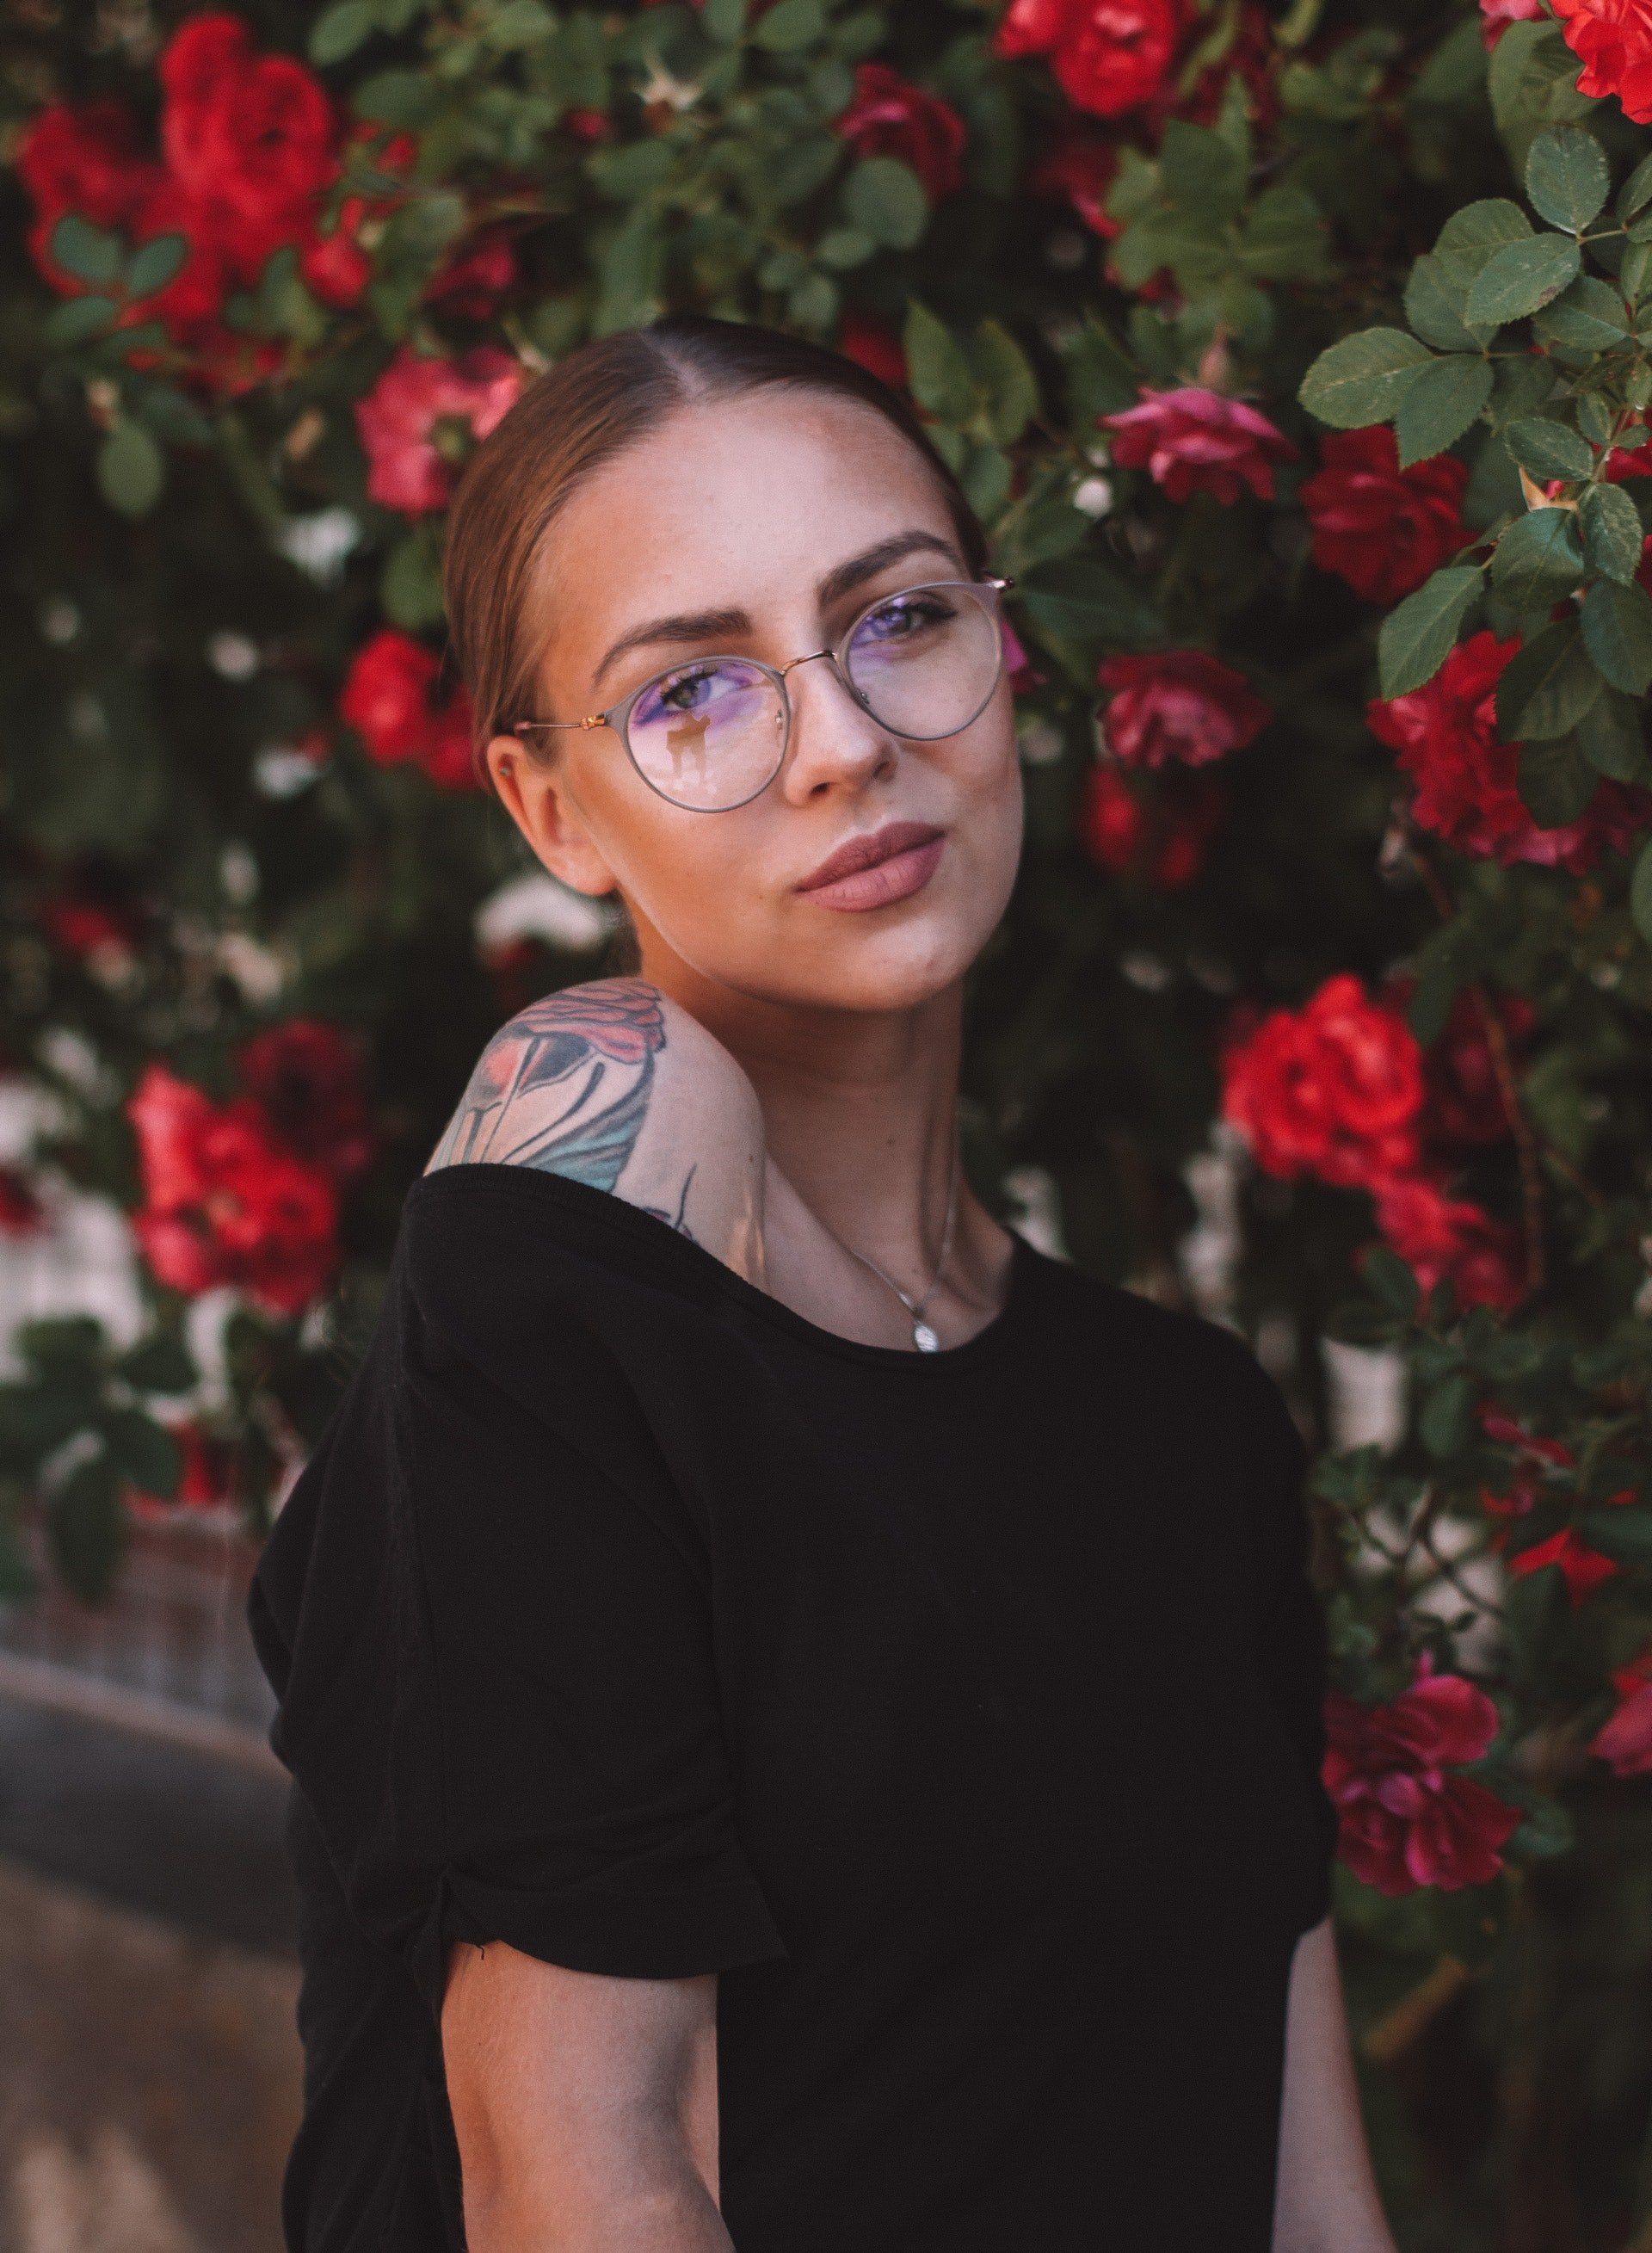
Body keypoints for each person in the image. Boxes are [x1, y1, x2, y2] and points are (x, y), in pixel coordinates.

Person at [247, 314, 1397, 2253]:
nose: (849, 741)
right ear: (548, 808)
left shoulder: (1190, 1429)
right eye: (694, 692)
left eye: (898, 618)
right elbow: (584, 2183)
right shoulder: (547, 1308)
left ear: (1002, 644)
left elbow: (1308, 2196)